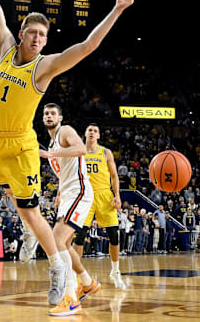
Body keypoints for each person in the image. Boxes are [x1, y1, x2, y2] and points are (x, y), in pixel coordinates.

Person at [0, 0, 137, 309]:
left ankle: (58, 267)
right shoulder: (2, 46)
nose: (37, 39)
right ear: (20, 34)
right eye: (32, 33)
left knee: (31, 210)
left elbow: (87, 46)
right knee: (19, 208)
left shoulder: (43, 67)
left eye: (43, 36)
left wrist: (116, 10)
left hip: (20, 143)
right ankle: (71, 272)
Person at [41, 103, 100, 316]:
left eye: (52, 113)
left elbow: (81, 149)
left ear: (60, 117)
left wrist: (51, 154)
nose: (49, 116)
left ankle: (71, 299)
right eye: (46, 113)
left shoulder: (65, 131)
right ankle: (87, 282)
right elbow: (64, 172)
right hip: (66, 194)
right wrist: (58, 193)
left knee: (56, 241)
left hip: (79, 191)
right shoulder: (50, 144)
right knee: (64, 243)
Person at [72, 123, 126, 289]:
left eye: (95, 131)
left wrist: (117, 195)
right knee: (80, 236)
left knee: (114, 235)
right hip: (85, 196)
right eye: (89, 130)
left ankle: (115, 272)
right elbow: (69, 174)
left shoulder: (105, 152)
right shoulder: (78, 152)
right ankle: (75, 276)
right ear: (85, 133)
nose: (92, 133)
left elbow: (114, 176)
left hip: (104, 195)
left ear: (99, 136)